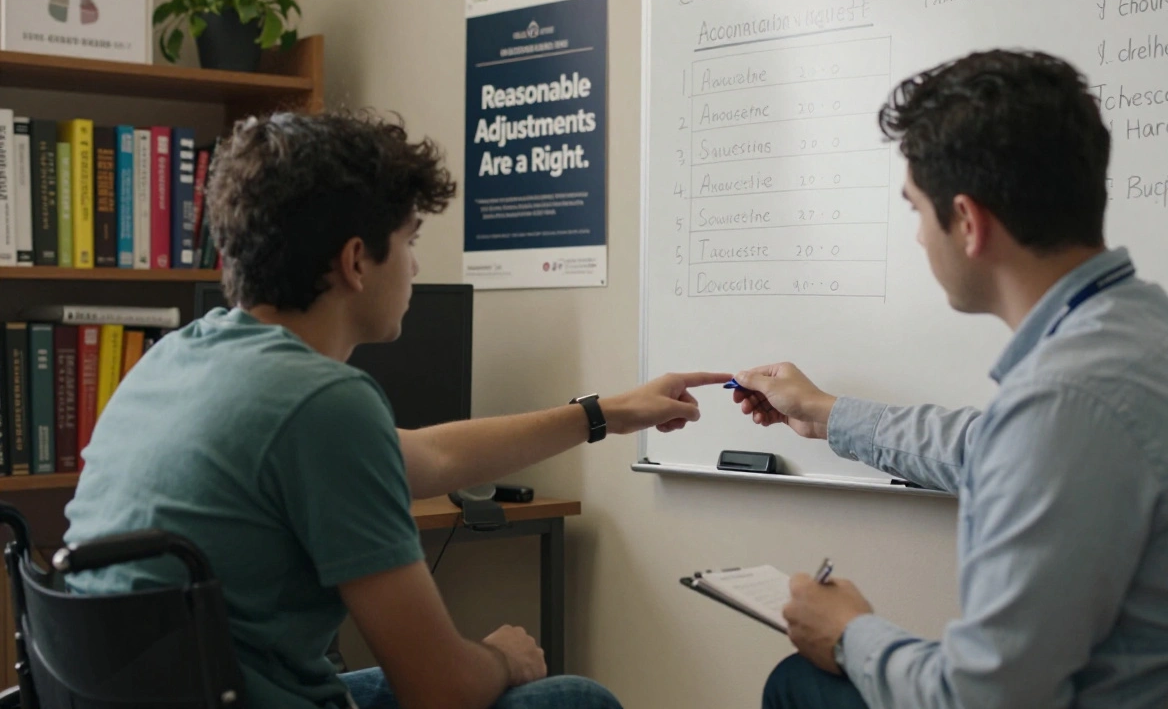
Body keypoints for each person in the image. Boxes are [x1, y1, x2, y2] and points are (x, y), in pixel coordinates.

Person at [62, 111, 730, 709]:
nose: (413, 266)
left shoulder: (177, 357)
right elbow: (440, 690)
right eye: (409, 241)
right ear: (356, 261)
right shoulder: (324, 404)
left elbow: (427, 456)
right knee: (572, 699)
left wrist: (605, 413)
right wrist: (502, 655)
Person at [731, 50, 1168, 709]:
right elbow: (992, 444)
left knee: (799, 684)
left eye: (915, 210)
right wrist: (824, 413)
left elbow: (980, 700)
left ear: (967, 221)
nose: (916, 237)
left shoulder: (1064, 400)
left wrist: (849, 634)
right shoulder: (1160, 333)